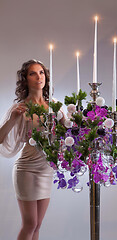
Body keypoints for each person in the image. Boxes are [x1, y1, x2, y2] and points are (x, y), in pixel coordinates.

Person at [0, 59, 65, 240]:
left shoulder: (54, 106)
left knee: (37, 225)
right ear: (25, 80)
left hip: (46, 169)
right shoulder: (20, 108)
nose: (39, 77)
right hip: (27, 169)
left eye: (42, 72)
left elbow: (69, 132)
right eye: (33, 73)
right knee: (29, 224)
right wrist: (13, 119)